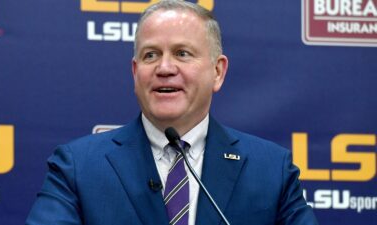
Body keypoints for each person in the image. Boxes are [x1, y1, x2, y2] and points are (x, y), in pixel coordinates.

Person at [26, 0, 318, 224]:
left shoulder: (270, 169)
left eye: (182, 53)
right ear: (135, 72)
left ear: (218, 72)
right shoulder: (78, 166)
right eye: (151, 55)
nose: (165, 68)